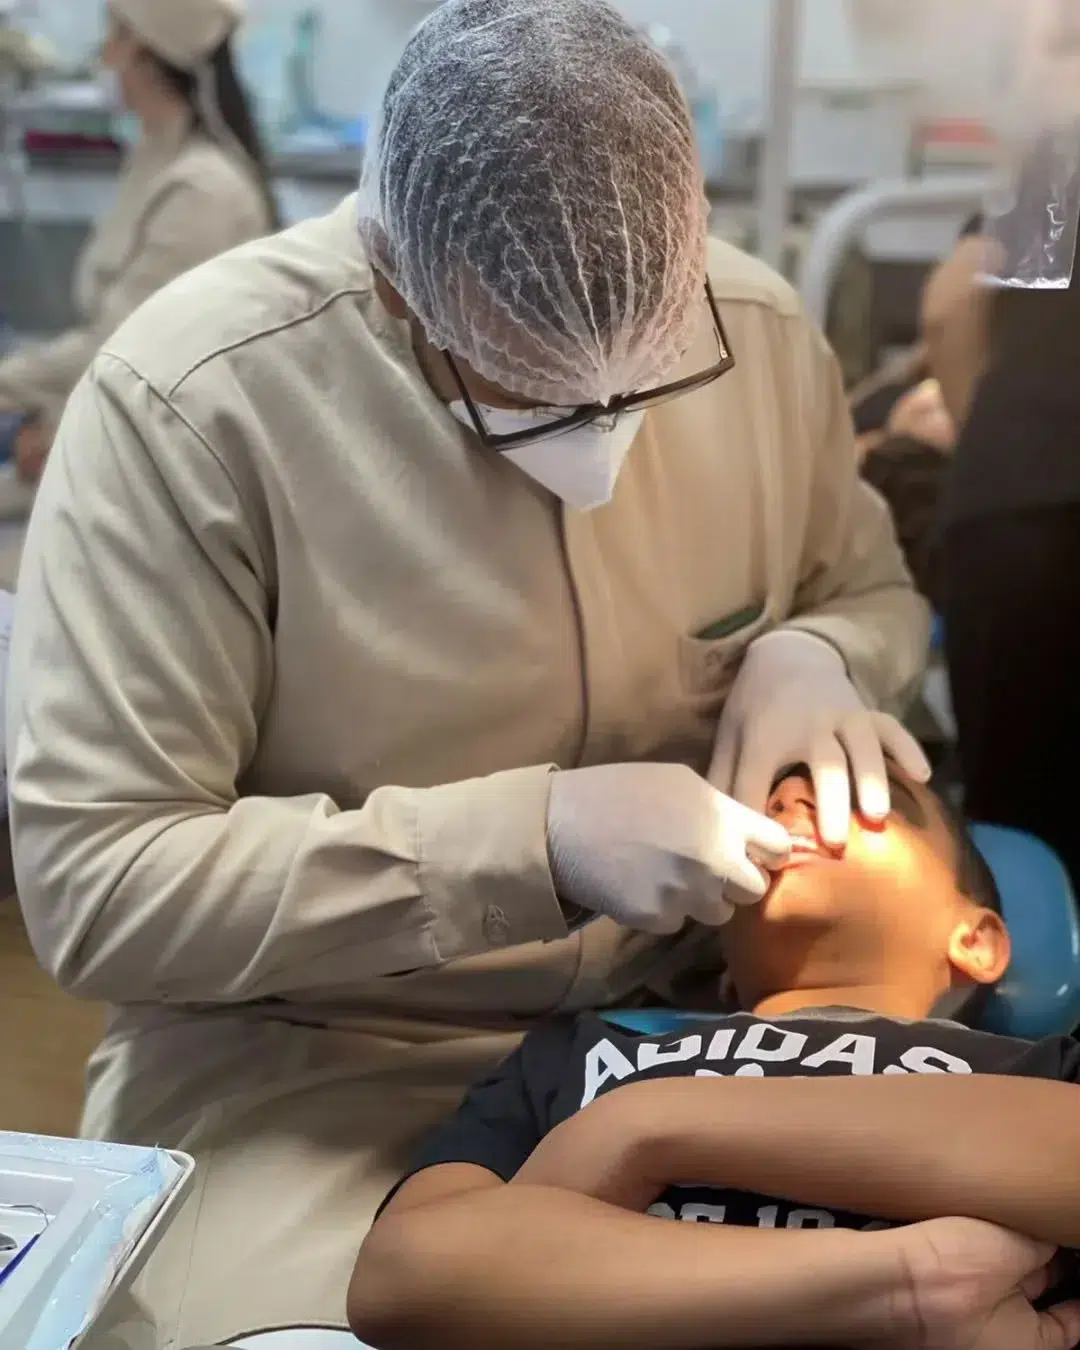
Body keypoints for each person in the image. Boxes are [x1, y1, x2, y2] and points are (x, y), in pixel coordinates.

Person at [7, 1, 929, 1342]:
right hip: (317, 1062)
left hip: (688, 1022)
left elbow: (873, 586)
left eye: (650, 379)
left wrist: (823, 647)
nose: (605, 440)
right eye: (536, 392)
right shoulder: (194, 409)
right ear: (395, 282)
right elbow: (101, 888)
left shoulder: (761, 332)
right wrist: (526, 843)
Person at [349, 764, 1080, 1350]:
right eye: (773, 798)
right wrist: (896, 1286)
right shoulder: (579, 1053)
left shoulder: (1032, 1065)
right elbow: (403, 1280)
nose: (792, 797)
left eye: (861, 795)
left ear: (976, 940)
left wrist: (645, 1125)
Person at [0, 0, 276, 487]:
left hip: (156, 467)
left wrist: (17, 391)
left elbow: (125, 350)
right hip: (108, 438)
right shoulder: (154, 161)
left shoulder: (203, 189)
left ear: (152, 57)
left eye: (115, 37)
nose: (104, 57)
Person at [934, 179, 1080, 886]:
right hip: (1023, 498)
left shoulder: (1059, 172)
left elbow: (953, 303)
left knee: (1018, 820)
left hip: (1021, 506)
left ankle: (1025, 975)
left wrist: (988, 441)